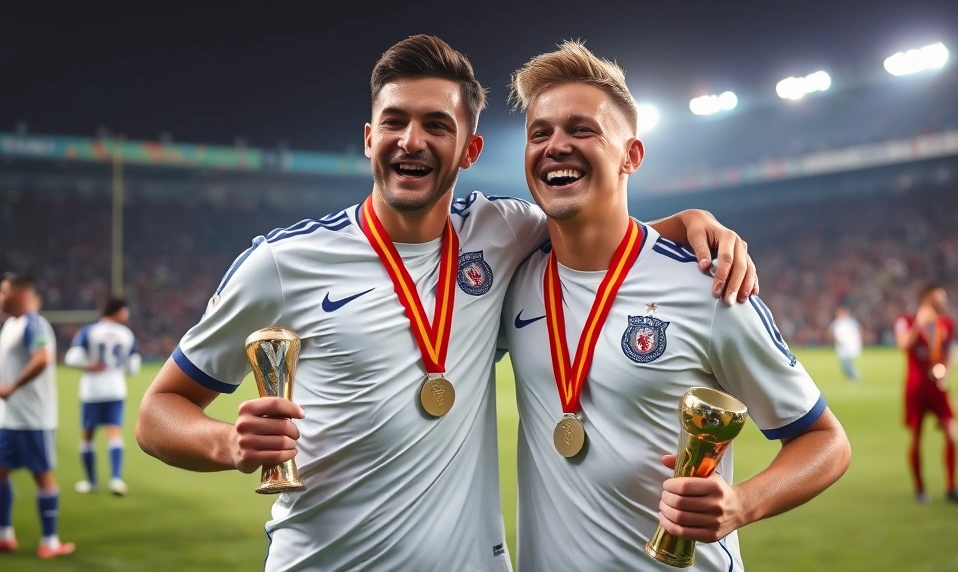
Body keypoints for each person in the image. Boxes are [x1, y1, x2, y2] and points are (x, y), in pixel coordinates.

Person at [135, 35, 758, 571]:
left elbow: (600, 231)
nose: (411, 141)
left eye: (437, 125)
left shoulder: (504, 232)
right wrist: (226, 444)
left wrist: (688, 223)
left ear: (470, 150)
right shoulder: (281, 264)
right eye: (394, 122)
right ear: (369, 137)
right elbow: (158, 412)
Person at [501, 41, 851, 571]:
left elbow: (826, 441)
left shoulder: (709, 288)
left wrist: (742, 503)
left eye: (582, 129)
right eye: (539, 133)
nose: (556, 145)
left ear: (631, 156)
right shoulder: (515, 279)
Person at [0, 272, 75, 558]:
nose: (0, 297)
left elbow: (42, 358)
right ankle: (5, 535)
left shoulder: (34, 324)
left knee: (42, 476)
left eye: (4, 291)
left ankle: (50, 541)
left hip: (33, 418)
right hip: (9, 418)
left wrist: (12, 386)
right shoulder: (10, 325)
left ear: (19, 293)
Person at [894, 283, 958, 506]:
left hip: (939, 388)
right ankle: (919, 488)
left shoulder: (946, 323)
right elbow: (903, 343)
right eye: (940, 296)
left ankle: (952, 487)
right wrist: (919, 323)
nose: (943, 300)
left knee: (952, 434)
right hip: (916, 388)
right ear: (927, 297)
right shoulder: (907, 320)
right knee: (916, 436)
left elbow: (951, 352)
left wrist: (947, 372)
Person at [64, 297, 141, 496]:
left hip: (92, 390)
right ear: (119, 311)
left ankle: (91, 482)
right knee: (114, 432)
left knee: (88, 435)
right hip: (115, 388)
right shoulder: (126, 334)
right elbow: (133, 368)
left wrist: (90, 366)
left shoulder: (89, 331)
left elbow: (71, 358)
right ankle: (116, 479)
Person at [827, 305, 862, 381]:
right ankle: (853, 377)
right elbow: (831, 333)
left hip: (850, 346)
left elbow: (857, 332)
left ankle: (856, 377)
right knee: (844, 365)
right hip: (841, 347)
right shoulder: (837, 322)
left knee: (848, 364)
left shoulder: (851, 322)